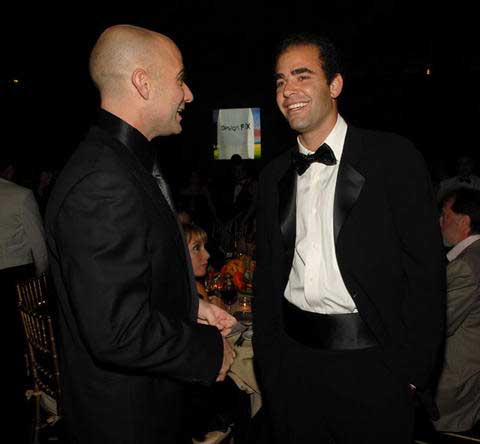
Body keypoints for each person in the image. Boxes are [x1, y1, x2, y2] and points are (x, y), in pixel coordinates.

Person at [45, 25, 235, 444]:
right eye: (180, 80)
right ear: (143, 83)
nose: (189, 95)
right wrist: (207, 350)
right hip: (127, 421)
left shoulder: (124, 162)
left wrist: (190, 305)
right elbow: (118, 331)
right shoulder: (103, 181)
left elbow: (131, 278)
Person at [253, 33, 445, 444]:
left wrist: (412, 373)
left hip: (374, 368)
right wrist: (270, 366)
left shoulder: (392, 158)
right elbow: (265, 278)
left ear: (335, 84)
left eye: (302, 76)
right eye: (280, 81)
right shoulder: (272, 177)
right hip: (293, 368)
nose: (288, 90)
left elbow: (426, 274)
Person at [0, 156, 48, 431]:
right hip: (15, 280)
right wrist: (40, 280)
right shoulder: (20, 196)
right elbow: (39, 246)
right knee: (18, 346)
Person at [434, 188, 480, 432]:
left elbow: (438, 325)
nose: (440, 222)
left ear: (464, 222)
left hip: (456, 383)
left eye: (445, 215)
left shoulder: (465, 267)